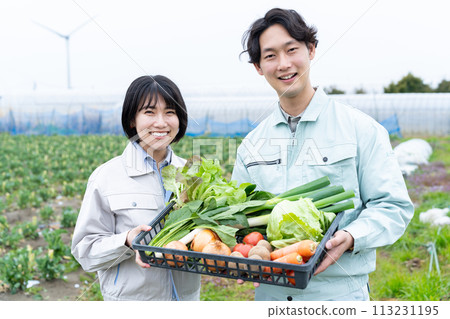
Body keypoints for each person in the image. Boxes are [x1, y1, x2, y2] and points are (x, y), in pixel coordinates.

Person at [232, 8, 414, 301]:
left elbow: (393, 206)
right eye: (270, 56)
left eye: (292, 50)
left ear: (311, 49)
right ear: (258, 66)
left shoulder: (360, 129)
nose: (284, 64)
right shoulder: (252, 143)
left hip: (338, 295)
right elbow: (240, 220)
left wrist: (353, 236)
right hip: (271, 295)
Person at [71, 75, 201, 301]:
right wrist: (127, 240)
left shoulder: (192, 174)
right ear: (132, 120)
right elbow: (86, 251)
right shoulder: (106, 177)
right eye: (149, 112)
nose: (161, 122)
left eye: (170, 112)